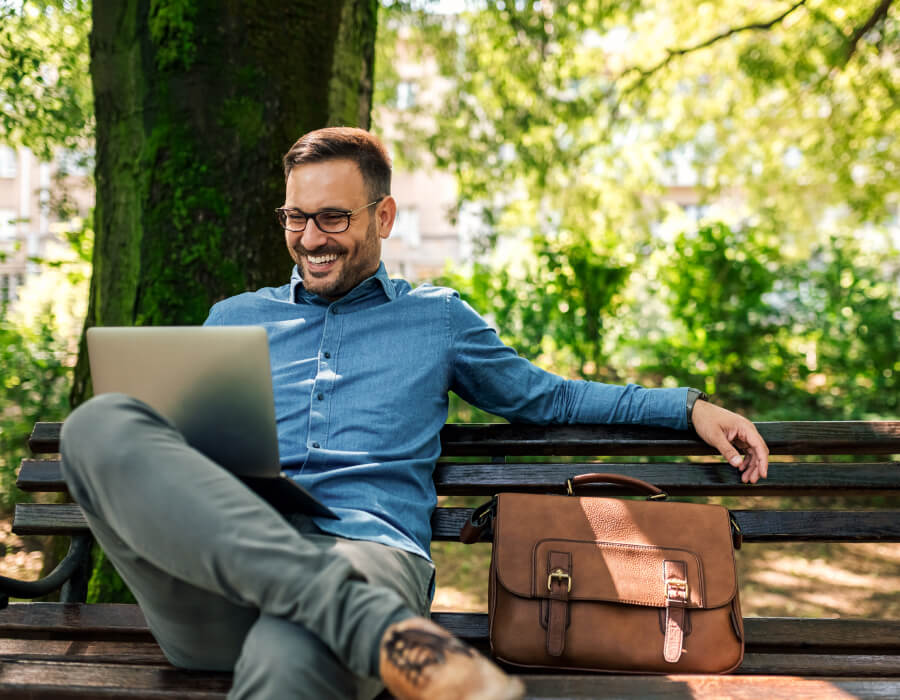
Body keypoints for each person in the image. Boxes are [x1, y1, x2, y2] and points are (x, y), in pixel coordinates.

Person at [60, 127, 769, 700]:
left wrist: (690, 407)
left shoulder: (438, 320)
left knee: (292, 653)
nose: (311, 239)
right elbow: (170, 465)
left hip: (369, 556)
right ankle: (359, 620)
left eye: (333, 217)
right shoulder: (232, 318)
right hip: (219, 588)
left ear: (383, 215)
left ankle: (347, 613)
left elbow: (548, 396)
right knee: (99, 423)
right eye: (296, 218)